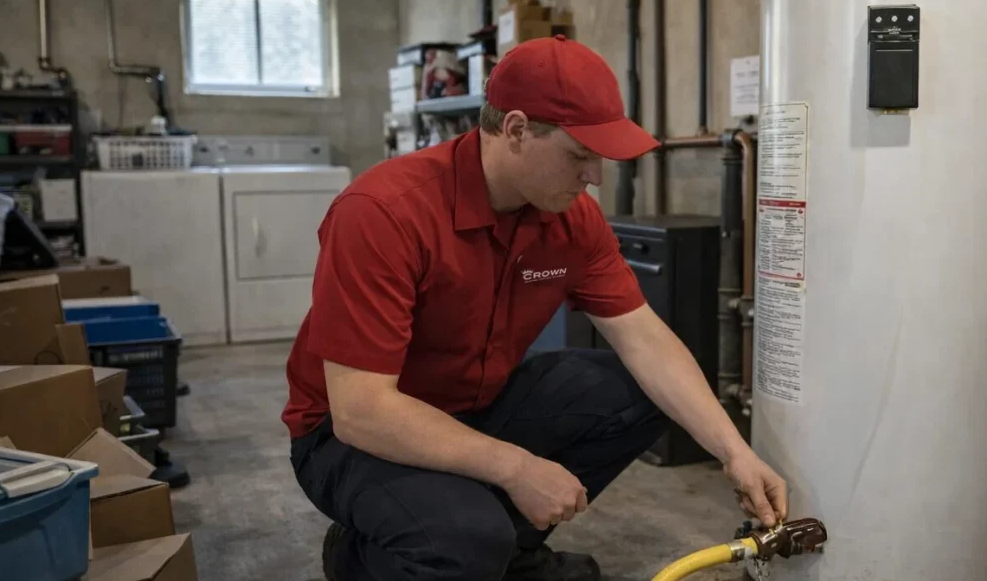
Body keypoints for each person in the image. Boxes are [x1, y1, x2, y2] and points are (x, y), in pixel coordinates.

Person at [283, 35, 788, 581]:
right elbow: (362, 411)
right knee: (463, 538)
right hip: (348, 435)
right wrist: (517, 468)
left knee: (637, 393)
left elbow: (645, 338)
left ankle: (506, 552)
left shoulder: (570, 217)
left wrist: (734, 451)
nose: (595, 176)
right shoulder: (384, 212)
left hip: (473, 406)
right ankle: (366, 557)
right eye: (580, 155)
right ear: (517, 130)